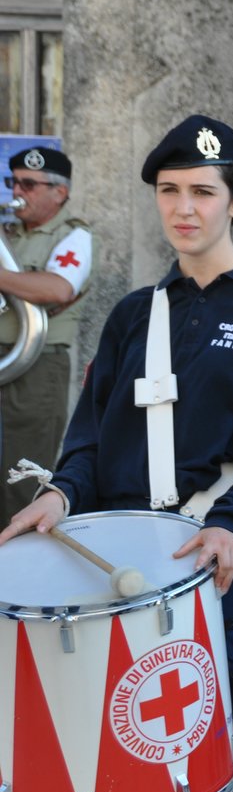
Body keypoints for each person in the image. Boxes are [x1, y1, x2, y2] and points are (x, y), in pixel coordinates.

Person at [0, 115, 233, 792]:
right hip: (120, 579)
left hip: (227, 576)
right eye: (170, 191)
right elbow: (88, 437)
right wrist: (60, 495)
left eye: (203, 192)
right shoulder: (133, 315)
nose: (185, 207)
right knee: (100, 782)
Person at [0, 145, 92, 521]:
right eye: (13, 182)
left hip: (37, 367)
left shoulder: (74, 237)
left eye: (30, 184)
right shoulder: (9, 232)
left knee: (21, 479)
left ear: (60, 192)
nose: (18, 191)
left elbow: (57, 289)